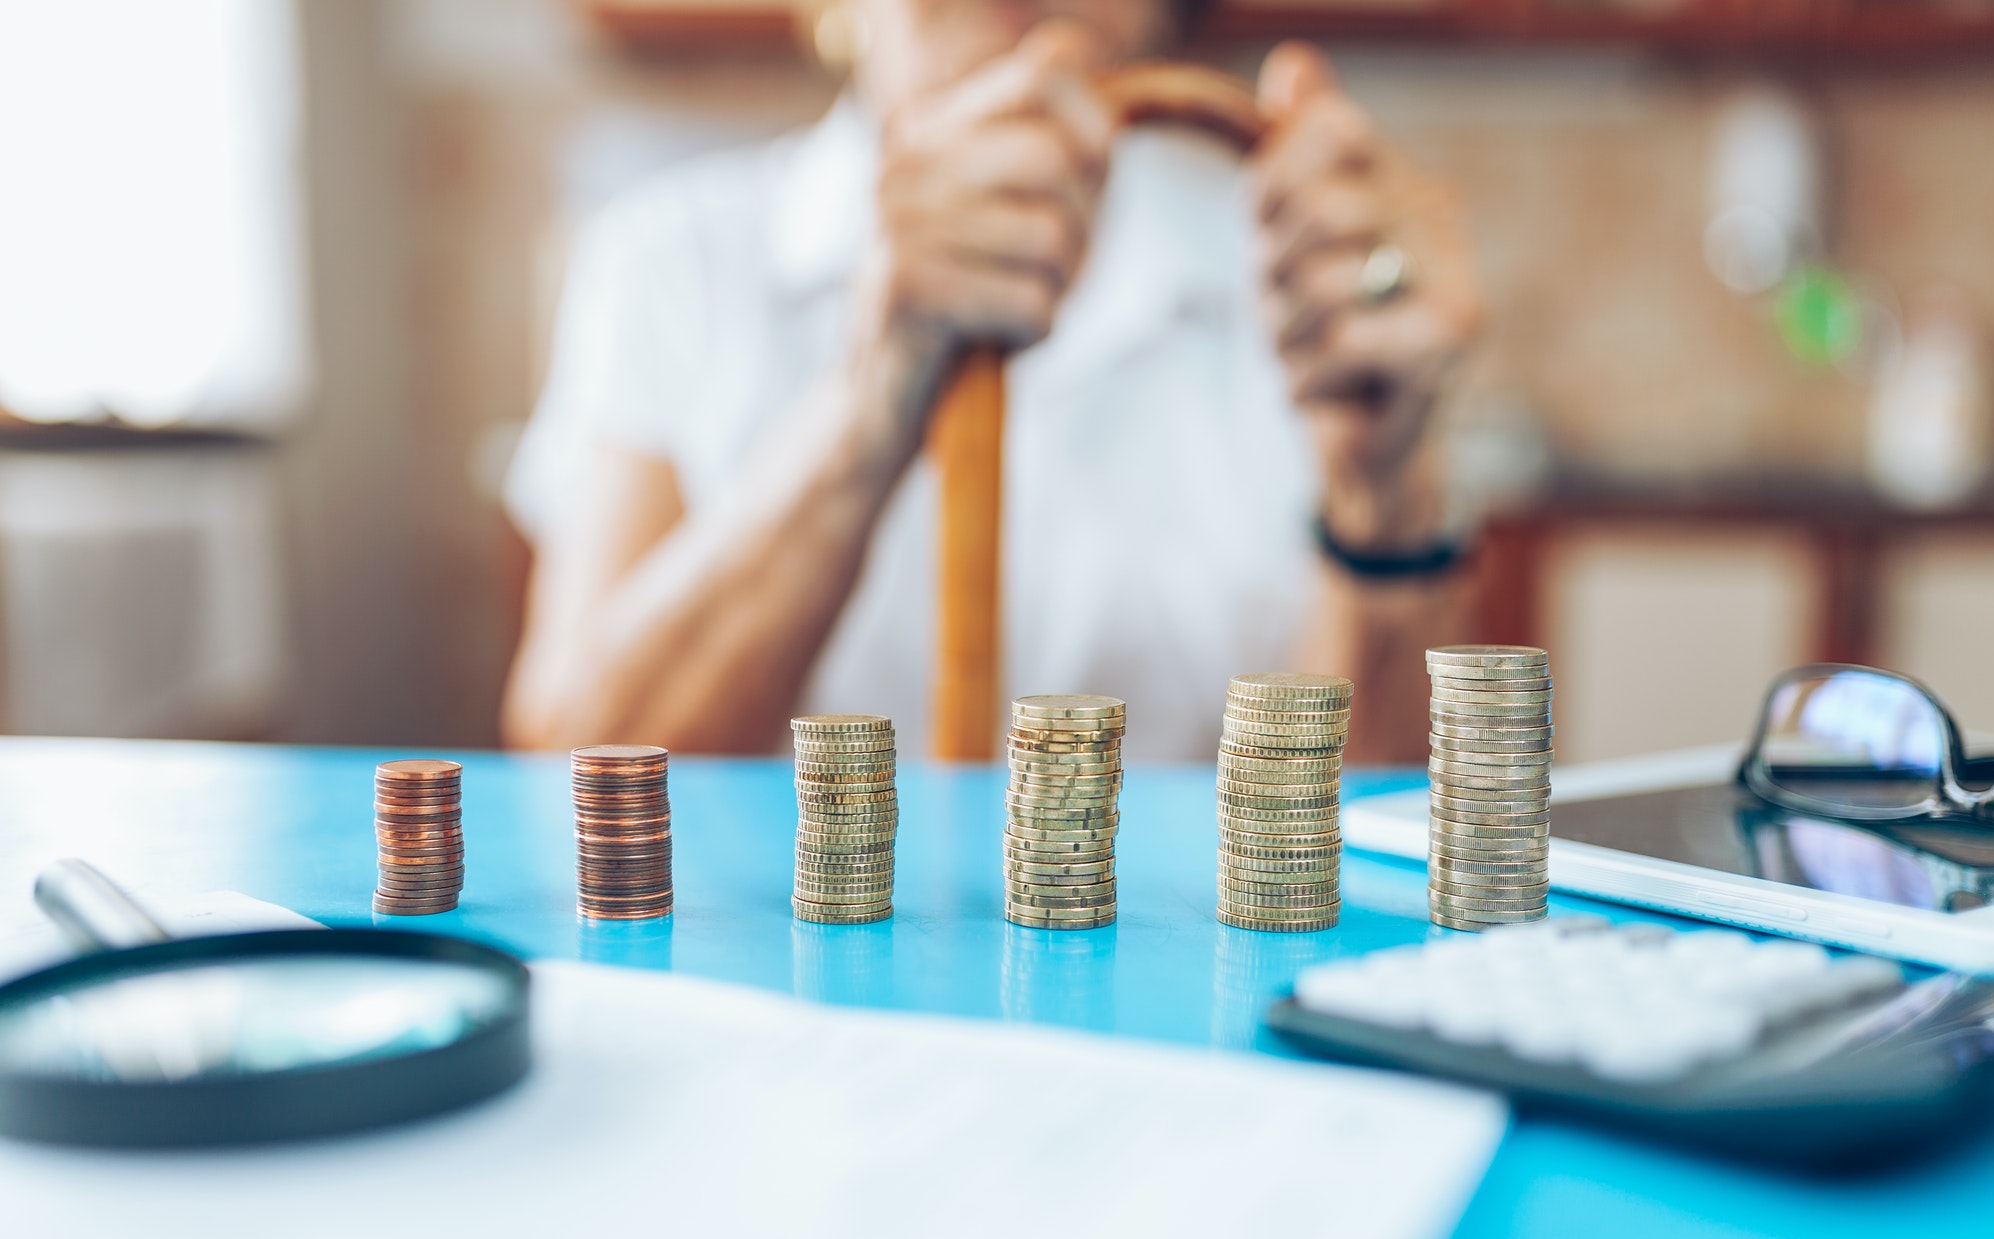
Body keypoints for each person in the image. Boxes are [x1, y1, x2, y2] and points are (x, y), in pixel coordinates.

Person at [501, 0, 1483, 762]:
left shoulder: (1299, 271)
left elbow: (1364, 819)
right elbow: (577, 767)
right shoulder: (669, 260)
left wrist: (1380, 487)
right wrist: (871, 392)